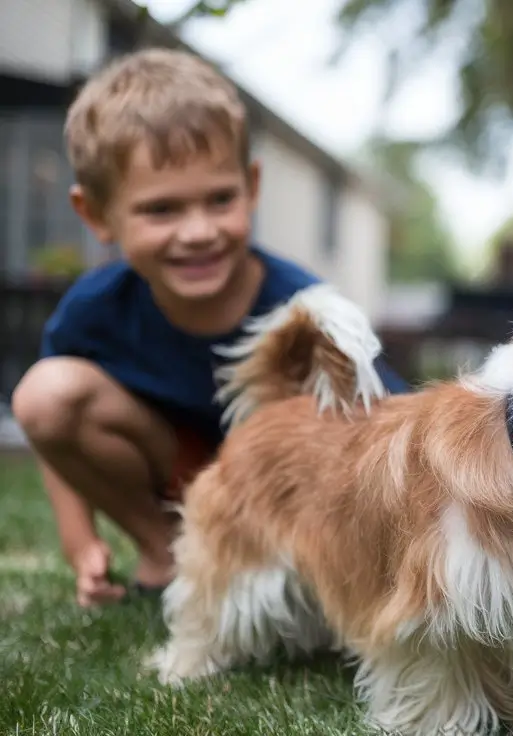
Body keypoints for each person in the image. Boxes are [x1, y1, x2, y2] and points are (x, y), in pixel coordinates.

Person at [10, 48, 409, 609]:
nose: (198, 231)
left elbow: (390, 435)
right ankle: (170, 553)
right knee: (46, 393)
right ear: (97, 215)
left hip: (286, 500)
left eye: (220, 199)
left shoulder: (303, 313)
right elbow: (51, 438)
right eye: (161, 210)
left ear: (251, 186)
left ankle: (293, 582)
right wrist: (80, 543)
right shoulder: (93, 310)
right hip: (179, 473)